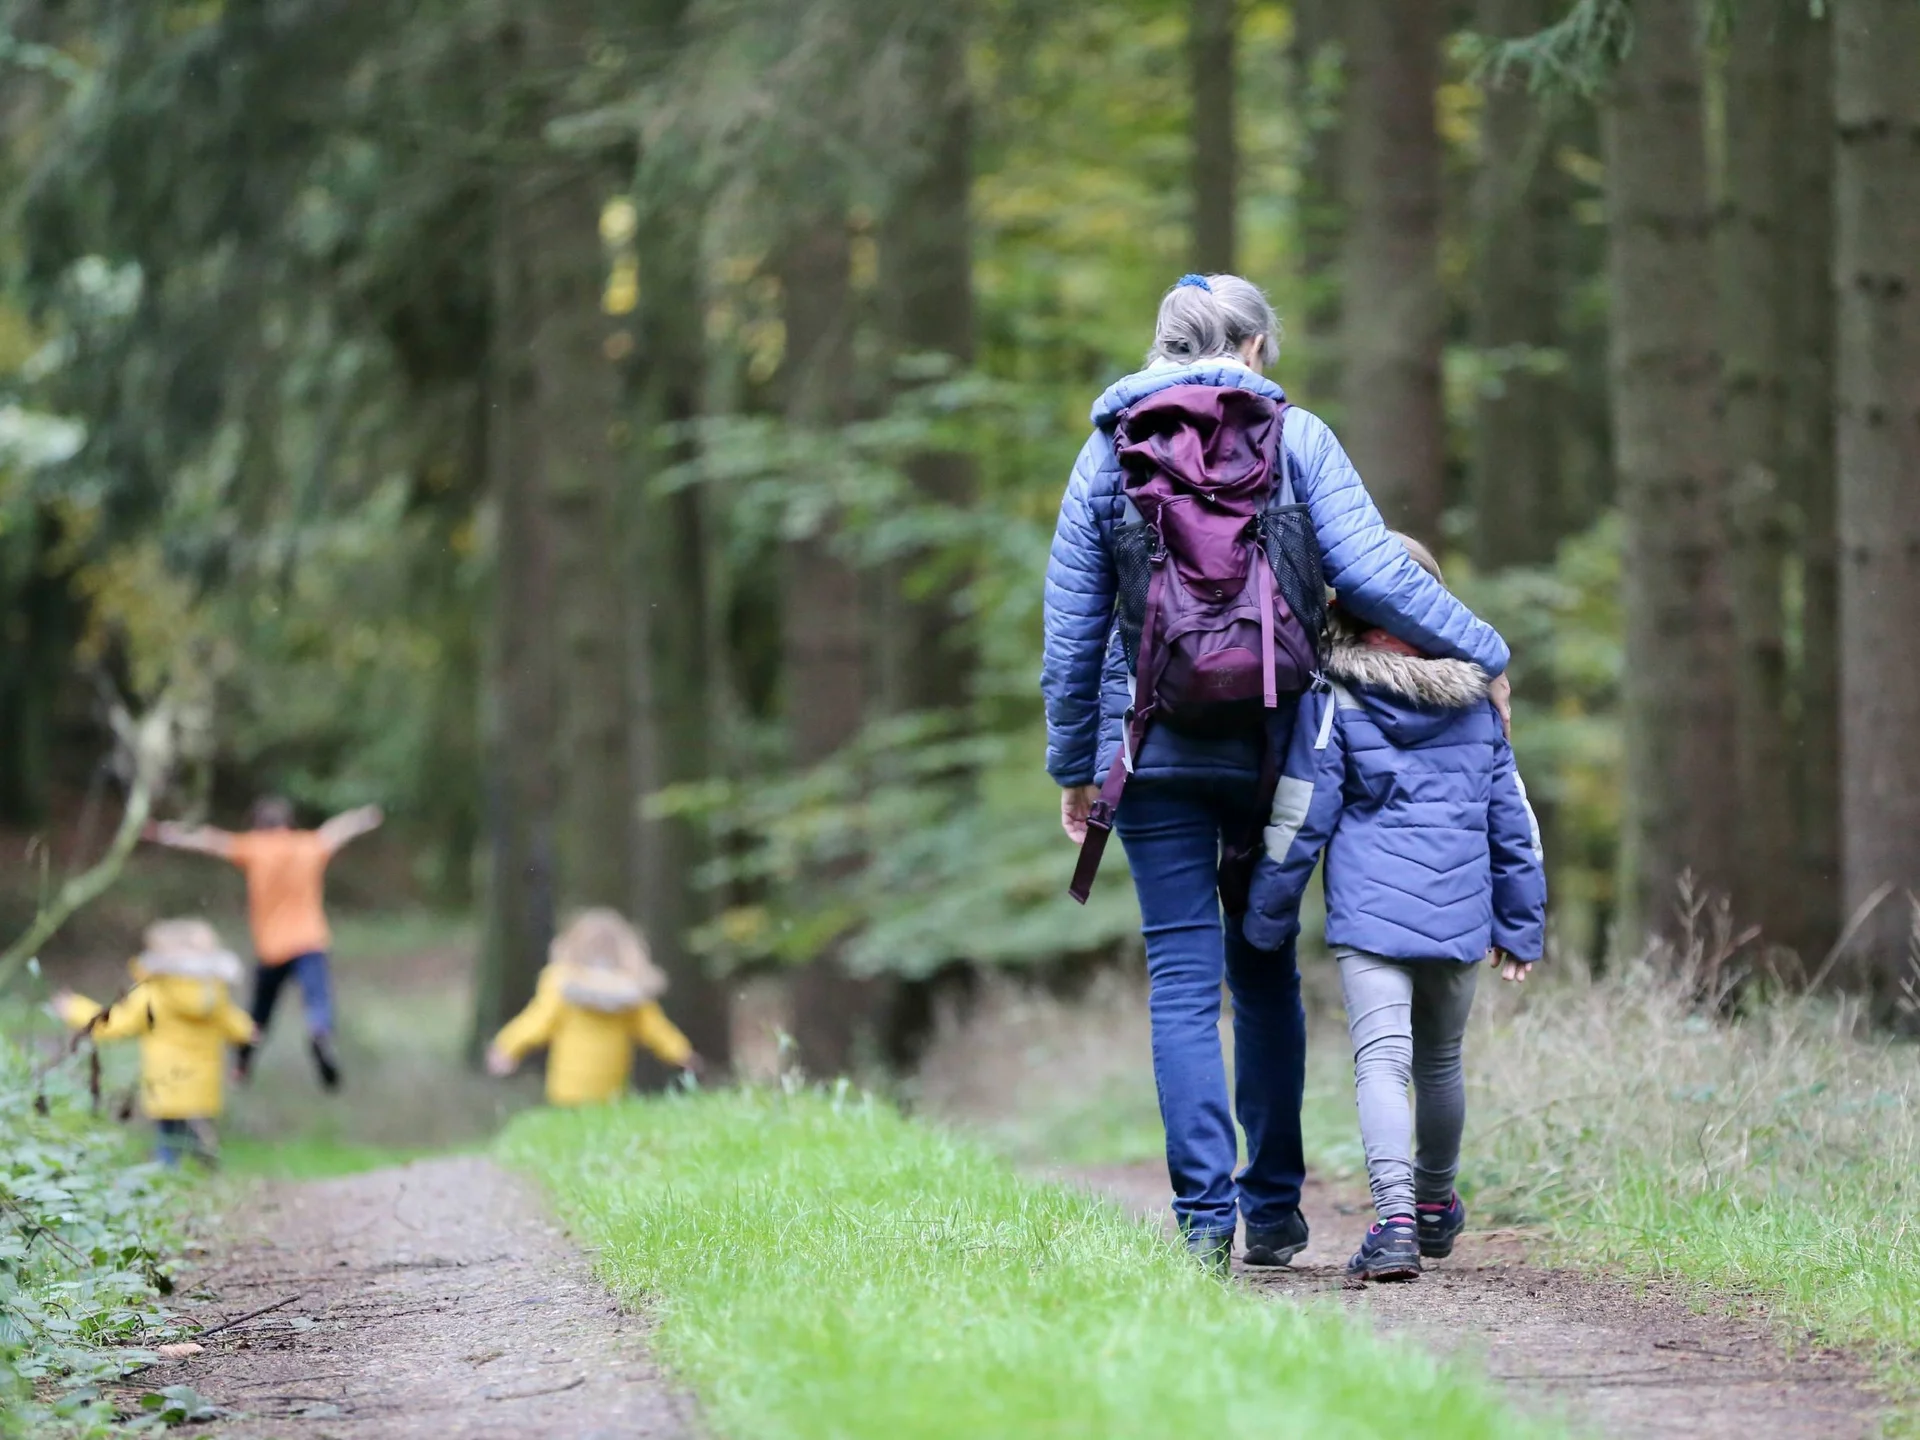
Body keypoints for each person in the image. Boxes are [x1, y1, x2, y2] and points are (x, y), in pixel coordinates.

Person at [1041, 273, 1512, 1271]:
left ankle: (1205, 1224)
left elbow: (1072, 632)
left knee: (1180, 980)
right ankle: (1277, 1212)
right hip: (1278, 749)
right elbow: (1379, 573)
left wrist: (1076, 767)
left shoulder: (1106, 453)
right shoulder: (1300, 438)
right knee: (1263, 970)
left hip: (1154, 750)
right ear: (1254, 347)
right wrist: (1486, 652)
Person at [1244, 534, 1546, 1281]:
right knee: (1440, 1061)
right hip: (1460, 910)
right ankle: (1438, 1205)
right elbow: (1514, 822)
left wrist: (1266, 914)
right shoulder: (1479, 701)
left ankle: (1397, 1222)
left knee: (1382, 1062)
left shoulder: (1336, 696)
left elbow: (1301, 812)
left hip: (1373, 918)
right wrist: (1521, 922)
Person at [144, 796, 383, 1090]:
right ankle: (320, 1034)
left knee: (259, 1013)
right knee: (318, 999)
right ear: (289, 824)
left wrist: (165, 832)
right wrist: (364, 817)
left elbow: (209, 840)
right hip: (310, 941)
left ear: (258, 825)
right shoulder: (307, 845)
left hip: (272, 949)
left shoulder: (255, 847)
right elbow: (336, 830)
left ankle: (242, 1066)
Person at [53, 918, 259, 1166]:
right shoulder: (213, 994)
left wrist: (75, 1009)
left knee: (168, 1139)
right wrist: (249, 1031)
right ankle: (201, 1166)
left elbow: (114, 1022)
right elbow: (235, 1024)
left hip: (167, 1083)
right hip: (202, 1085)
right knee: (192, 1131)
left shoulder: (154, 992)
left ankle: (170, 1173)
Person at [486, 908, 704, 1105]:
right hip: (611, 1089)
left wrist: (507, 1046)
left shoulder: (561, 983)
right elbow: (655, 1028)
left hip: (567, 1088)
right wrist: (682, 1053)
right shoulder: (630, 990)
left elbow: (537, 1021)